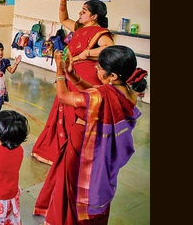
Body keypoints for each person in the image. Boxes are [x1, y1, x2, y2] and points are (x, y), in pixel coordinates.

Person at [33, 45, 148, 224]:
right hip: (101, 151)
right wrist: (72, 75)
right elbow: (93, 91)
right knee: (95, 187)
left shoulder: (102, 95)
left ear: (113, 76)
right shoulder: (126, 92)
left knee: (74, 189)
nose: (97, 70)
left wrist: (60, 72)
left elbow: (64, 97)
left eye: (100, 68)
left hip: (83, 147)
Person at [31, 0, 114, 165]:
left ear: (94, 16)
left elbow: (110, 48)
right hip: (71, 74)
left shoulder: (100, 33)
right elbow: (63, 19)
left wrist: (88, 53)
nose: (80, 13)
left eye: (84, 11)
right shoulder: (80, 28)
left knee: (78, 113)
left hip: (85, 78)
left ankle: (76, 150)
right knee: (64, 109)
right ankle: (60, 148)